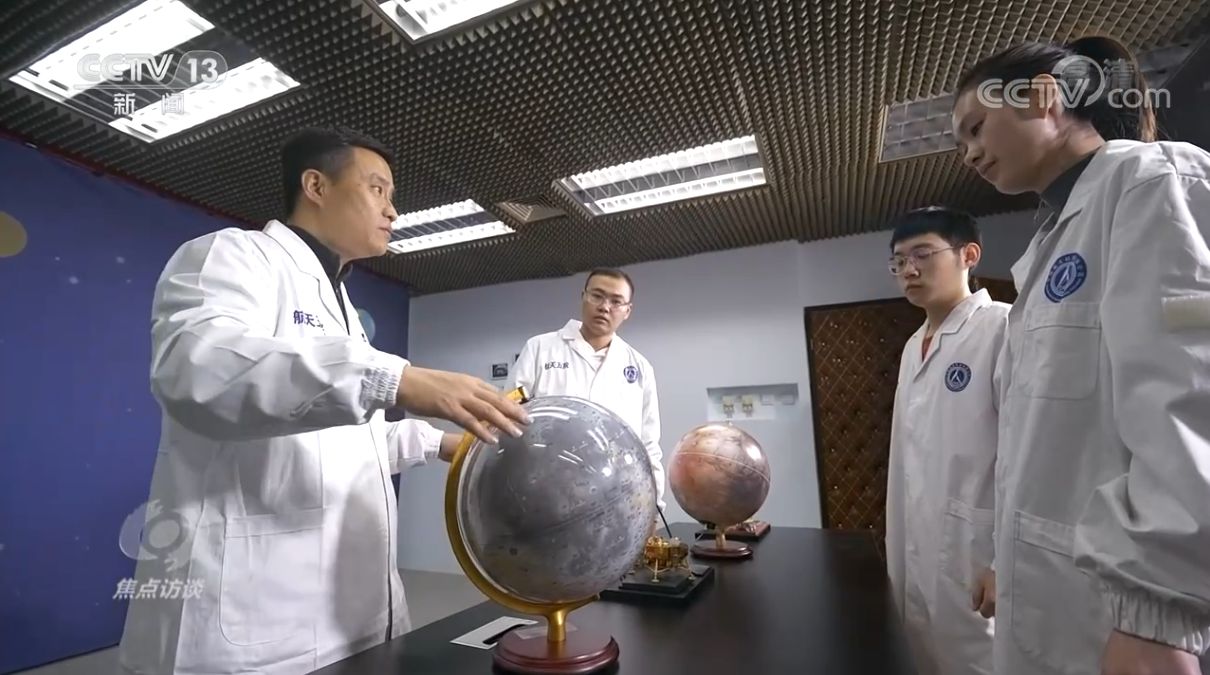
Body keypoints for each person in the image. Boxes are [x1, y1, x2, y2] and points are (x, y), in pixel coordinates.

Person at [116, 126, 529, 675]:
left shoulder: (341, 303)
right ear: (316, 186)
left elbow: (342, 441)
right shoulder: (232, 256)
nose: (393, 210)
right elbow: (200, 372)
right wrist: (395, 379)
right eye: (377, 189)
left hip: (351, 615)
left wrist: (445, 445)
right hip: (254, 621)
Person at [951, 35, 1210, 675]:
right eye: (961, 144)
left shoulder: (1150, 181)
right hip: (1054, 593)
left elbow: (1190, 400)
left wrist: (1158, 615)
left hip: (1130, 619)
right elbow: (1042, 447)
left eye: (976, 128)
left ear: (1043, 96)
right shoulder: (1046, 250)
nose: (970, 154)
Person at [884, 206, 1007, 675]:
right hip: (918, 541)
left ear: (968, 255)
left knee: (977, 662)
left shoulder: (1001, 327)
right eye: (899, 261)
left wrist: (1004, 561)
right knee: (922, 656)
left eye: (922, 254)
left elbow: (1026, 451)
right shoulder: (912, 347)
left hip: (976, 550)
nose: (909, 270)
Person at [511, 268, 667, 513]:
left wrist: (654, 508)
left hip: (614, 499)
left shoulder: (639, 367)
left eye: (616, 301)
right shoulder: (540, 349)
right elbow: (509, 417)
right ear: (583, 297)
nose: (605, 307)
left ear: (627, 311)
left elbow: (648, 445)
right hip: (543, 491)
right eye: (597, 296)